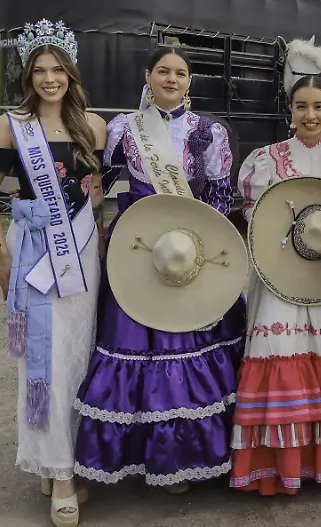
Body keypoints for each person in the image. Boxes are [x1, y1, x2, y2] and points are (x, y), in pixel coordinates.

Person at [70, 46, 247, 493]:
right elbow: (98, 182)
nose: (172, 79)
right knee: (135, 340)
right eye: (163, 71)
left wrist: (206, 249)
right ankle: (136, 453)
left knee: (190, 339)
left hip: (191, 250)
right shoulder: (123, 128)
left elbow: (219, 197)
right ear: (148, 76)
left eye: (180, 73)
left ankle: (185, 457)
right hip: (140, 248)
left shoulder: (209, 132)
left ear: (190, 82)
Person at [0, 19, 107, 526]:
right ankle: (61, 473)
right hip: (34, 250)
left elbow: (95, 194)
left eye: (57, 70)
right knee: (44, 359)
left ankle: (65, 456)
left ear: (71, 74)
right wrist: (2, 255)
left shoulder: (93, 126)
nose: (49, 79)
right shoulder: (11, 125)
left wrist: (99, 244)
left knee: (78, 355)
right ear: (28, 76)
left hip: (81, 252)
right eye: (39, 71)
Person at [229, 72, 321, 495]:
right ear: (290, 111)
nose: (310, 115)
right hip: (280, 275)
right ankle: (281, 467)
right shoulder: (265, 160)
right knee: (282, 349)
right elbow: (257, 220)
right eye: (301, 107)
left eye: (319, 107)